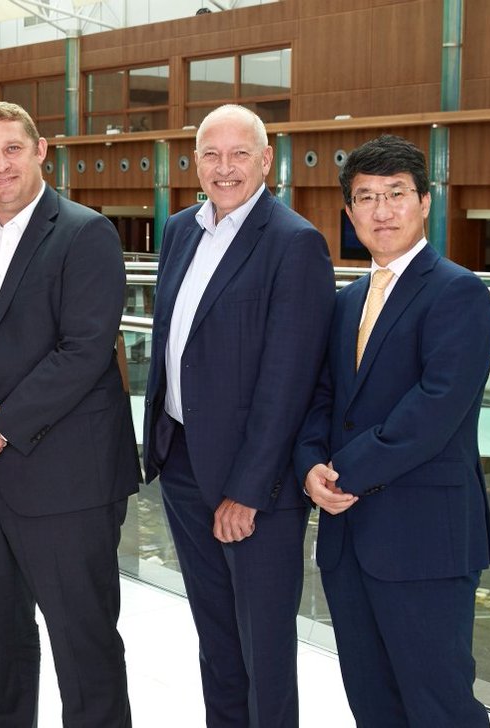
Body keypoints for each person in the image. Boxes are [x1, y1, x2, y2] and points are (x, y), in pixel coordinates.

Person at [0, 101, 139, 728]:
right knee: (1, 644)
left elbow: (83, 350)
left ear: (41, 150)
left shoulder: (84, 233)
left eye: (12, 149)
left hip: (66, 481)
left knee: (84, 647)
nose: (1, 165)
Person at [141, 104, 335, 727]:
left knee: (264, 652)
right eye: (211, 155)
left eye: (239, 154)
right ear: (195, 162)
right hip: (182, 464)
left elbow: (289, 382)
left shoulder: (294, 243)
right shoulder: (180, 230)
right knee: (217, 641)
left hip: (254, 487)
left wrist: (248, 491)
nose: (224, 168)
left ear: (266, 160)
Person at [294, 134, 490, 727]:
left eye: (396, 194)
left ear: (425, 201)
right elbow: (323, 397)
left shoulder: (459, 291)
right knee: (372, 702)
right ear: (350, 210)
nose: (382, 211)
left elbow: (435, 409)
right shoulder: (347, 300)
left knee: (440, 706)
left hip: (424, 538)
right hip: (349, 540)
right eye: (366, 197)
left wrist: (343, 473)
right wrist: (309, 466)